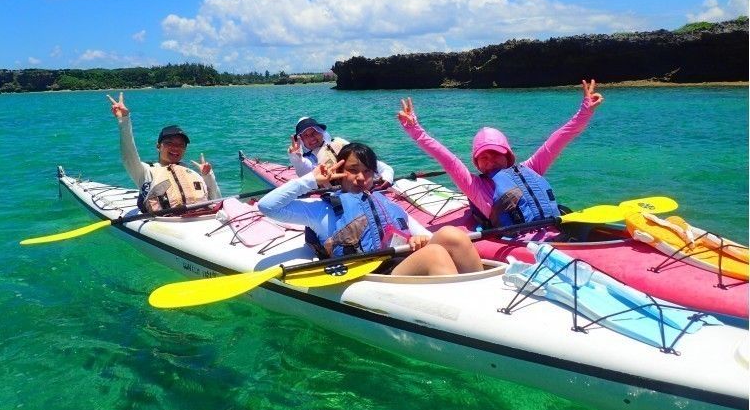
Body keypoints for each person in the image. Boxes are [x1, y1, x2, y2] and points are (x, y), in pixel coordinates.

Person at [397, 80, 604, 231]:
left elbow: (558, 139)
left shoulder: (531, 169)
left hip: (555, 230)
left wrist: (584, 112)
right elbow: (448, 160)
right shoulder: (475, 187)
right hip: (519, 244)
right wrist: (415, 130)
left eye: (496, 155)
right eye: (483, 157)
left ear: (508, 157)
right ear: (476, 163)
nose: (490, 161)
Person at [259, 142, 483, 276]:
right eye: (352, 169)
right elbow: (267, 206)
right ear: (338, 171)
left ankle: (481, 296)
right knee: (435, 254)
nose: (360, 177)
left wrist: (419, 241)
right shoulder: (321, 210)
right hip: (368, 275)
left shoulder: (385, 203)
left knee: (453, 236)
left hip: (400, 262)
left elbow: (425, 236)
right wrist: (311, 180)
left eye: (367, 171)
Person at [107, 92, 221, 212]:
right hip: (166, 224)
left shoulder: (193, 174)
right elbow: (129, 155)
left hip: (203, 221)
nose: (175, 148)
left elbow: (217, 202)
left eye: (180, 145)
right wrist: (124, 120)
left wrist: (208, 176)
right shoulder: (146, 172)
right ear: (158, 146)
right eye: (169, 143)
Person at [287, 116, 395, 188]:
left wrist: (387, 176)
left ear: (321, 133)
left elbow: (379, 166)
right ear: (301, 140)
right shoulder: (306, 160)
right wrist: (296, 158)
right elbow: (304, 172)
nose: (311, 138)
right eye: (306, 135)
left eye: (314, 133)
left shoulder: (339, 143)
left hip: (368, 186)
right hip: (337, 194)